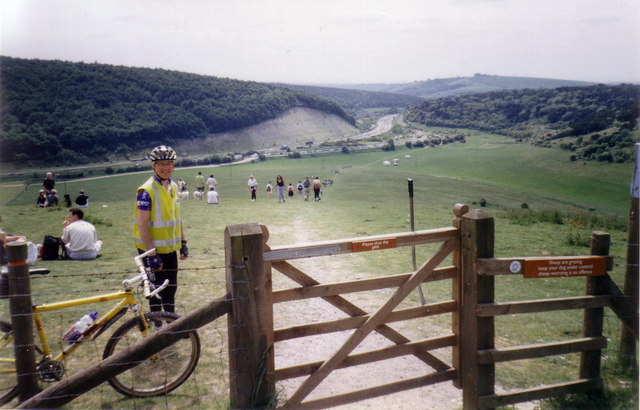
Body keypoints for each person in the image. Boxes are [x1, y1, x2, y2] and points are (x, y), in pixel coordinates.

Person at [134, 145, 188, 314]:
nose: (165, 168)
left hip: (170, 249)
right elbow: (142, 225)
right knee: (155, 292)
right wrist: (151, 254)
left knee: (171, 289)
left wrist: (183, 242)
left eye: (169, 163)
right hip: (151, 250)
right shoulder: (146, 191)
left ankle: (170, 323)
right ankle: (157, 326)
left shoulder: (174, 187)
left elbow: (176, 218)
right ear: (153, 165)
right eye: (161, 164)